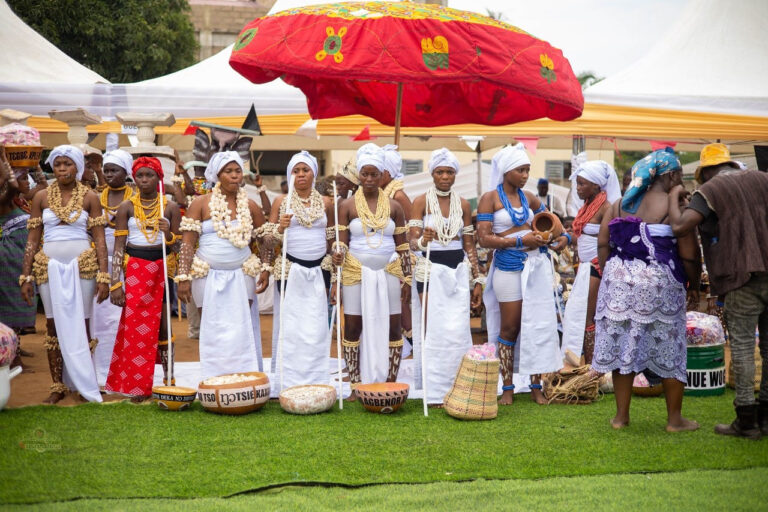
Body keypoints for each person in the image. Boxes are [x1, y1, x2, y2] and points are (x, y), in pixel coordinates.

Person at [593, 148, 700, 432]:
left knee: (622, 347)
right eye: (679, 174)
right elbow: (689, 253)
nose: (681, 179)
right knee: (669, 346)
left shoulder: (619, 204)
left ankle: (620, 417)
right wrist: (693, 285)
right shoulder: (675, 206)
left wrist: (610, 275)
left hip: (618, 281)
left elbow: (603, 242)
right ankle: (674, 420)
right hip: (659, 282)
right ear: (670, 176)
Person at [668, 143, 768, 439]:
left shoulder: (710, 190)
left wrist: (675, 196)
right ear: (731, 164)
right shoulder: (763, 178)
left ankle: (746, 421)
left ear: (705, 172)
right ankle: (766, 417)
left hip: (742, 276)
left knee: (743, 347)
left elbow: (680, 226)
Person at [478, 143, 567, 405]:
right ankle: (507, 387)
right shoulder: (489, 198)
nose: (525, 175)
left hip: (535, 267)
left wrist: (562, 237)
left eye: (527, 170)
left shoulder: (529, 198)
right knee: (510, 327)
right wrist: (519, 240)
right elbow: (484, 239)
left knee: (535, 324)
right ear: (506, 172)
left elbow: (553, 223)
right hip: (507, 267)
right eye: (520, 170)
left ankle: (535, 385)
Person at [19, 145, 109, 404]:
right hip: (47, 267)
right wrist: (26, 276)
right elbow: (32, 239)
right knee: (52, 324)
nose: (61, 169)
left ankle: (84, 383)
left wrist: (104, 276)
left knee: (83, 322)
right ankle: (57, 385)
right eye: (57, 164)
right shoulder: (41, 197)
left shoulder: (90, 196)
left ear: (77, 167)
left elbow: (99, 239)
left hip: (84, 266)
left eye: (67, 164)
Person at [176, 151, 271, 380]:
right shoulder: (200, 203)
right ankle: (215, 377)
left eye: (238, 171)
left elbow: (264, 238)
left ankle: (242, 376)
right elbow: (187, 242)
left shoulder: (250, 205)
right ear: (217, 175)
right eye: (229, 171)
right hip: (206, 274)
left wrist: (266, 267)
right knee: (212, 327)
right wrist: (183, 276)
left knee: (240, 326)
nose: (235, 175)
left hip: (242, 273)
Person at [332, 143, 411, 401]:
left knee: (394, 326)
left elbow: (403, 246)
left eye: (373, 174)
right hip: (354, 271)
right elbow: (341, 242)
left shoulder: (395, 206)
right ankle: (355, 385)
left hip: (389, 270)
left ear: (382, 175)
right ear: (359, 175)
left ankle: (390, 382)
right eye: (364, 174)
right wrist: (337, 254)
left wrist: (408, 279)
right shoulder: (346, 206)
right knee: (353, 327)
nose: (368, 179)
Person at [409, 148, 483, 405]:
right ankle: (434, 388)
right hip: (429, 268)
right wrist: (423, 239)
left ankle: (457, 385)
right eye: (439, 172)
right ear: (432, 174)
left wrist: (477, 280)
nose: (444, 177)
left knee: (456, 328)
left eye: (449, 172)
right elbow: (412, 242)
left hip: (456, 270)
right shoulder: (421, 202)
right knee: (433, 328)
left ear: (455, 175)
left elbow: (469, 245)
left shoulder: (463, 204)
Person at [105, 157, 180, 401]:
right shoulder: (126, 207)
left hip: (161, 269)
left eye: (150, 175)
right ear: (134, 178)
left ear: (159, 178)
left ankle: (169, 380)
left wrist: (168, 233)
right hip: (136, 270)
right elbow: (119, 246)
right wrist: (115, 283)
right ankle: (137, 386)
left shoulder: (170, 207)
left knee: (164, 326)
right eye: (140, 175)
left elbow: (178, 246)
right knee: (136, 328)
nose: (144, 180)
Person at [267, 151, 335, 390]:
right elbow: (267, 241)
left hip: (320, 270)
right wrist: (279, 228)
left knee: (316, 323)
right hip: (290, 269)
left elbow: (332, 239)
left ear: (314, 173)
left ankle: (315, 377)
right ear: (290, 175)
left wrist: (337, 259)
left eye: (305, 170)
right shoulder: (281, 201)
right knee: (292, 323)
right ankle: (289, 378)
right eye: (296, 171)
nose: (301, 175)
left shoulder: (327, 203)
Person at [560, 160, 621, 369]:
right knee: (584, 315)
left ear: (596, 186)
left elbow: (609, 241)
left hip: (596, 267)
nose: (578, 188)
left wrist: (602, 267)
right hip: (585, 267)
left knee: (589, 316)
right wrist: (566, 238)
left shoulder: (606, 208)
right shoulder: (587, 206)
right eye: (577, 183)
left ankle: (594, 367)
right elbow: (583, 236)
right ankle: (590, 364)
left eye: (582, 184)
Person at [91, 149, 134, 386]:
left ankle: (124, 369)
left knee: (123, 318)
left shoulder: (135, 197)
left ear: (125, 172)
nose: (108, 175)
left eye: (113, 170)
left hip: (129, 264)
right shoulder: (96, 198)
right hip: (99, 265)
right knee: (100, 318)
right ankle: (100, 369)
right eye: (106, 170)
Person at [0, 148, 38, 360]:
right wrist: (3, 158)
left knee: (18, 298)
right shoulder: (3, 200)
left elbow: (40, 186)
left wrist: (36, 165)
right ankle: (11, 355)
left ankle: (15, 349)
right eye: (23, 178)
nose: (27, 182)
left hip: (20, 251)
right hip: (9, 253)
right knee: (11, 300)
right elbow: (13, 185)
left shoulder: (19, 201)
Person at [381, 145, 414, 350]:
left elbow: (411, 227)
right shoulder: (382, 193)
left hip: (399, 256)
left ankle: (414, 342)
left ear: (389, 172)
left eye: (380, 170)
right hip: (384, 254)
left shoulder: (398, 196)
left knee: (400, 302)